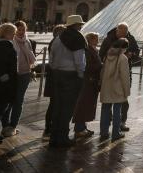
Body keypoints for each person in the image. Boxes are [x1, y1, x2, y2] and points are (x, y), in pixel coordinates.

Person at [48, 15, 86, 148]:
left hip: (57, 74)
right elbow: (79, 61)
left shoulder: (58, 38)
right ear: (76, 25)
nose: (81, 26)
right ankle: (63, 137)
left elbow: (51, 58)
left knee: (57, 107)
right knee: (67, 108)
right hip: (71, 76)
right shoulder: (77, 38)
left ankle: (54, 137)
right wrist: (81, 76)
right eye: (80, 24)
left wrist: (56, 70)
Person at [99, 23, 139, 132]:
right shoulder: (108, 40)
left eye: (125, 33)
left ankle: (119, 123)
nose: (124, 35)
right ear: (117, 31)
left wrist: (131, 55)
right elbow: (101, 55)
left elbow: (137, 52)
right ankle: (113, 128)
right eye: (122, 33)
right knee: (115, 104)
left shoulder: (130, 38)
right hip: (113, 75)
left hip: (114, 74)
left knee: (116, 103)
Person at [1, 21, 36, 137]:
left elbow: (31, 57)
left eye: (23, 30)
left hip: (25, 74)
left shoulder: (28, 42)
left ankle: (13, 126)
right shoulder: (10, 41)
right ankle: (5, 125)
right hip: (12, 75)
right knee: (9, 100)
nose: (21, 32)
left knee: (19, 100)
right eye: (19, 30)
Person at [100, 38, 131, 141]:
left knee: (105, 110)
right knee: (117, 111)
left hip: (106, 87)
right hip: (118, 88)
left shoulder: (107, 56)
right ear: (124, 48)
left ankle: (104, 132)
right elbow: (125, 77)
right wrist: (127, 91)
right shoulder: (123, 58)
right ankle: (115, 133)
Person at [73, 32, 102, 137]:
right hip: (88, 81)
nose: (98, 41)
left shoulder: (92, 49)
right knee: (83, 104)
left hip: (91, 81)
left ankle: (83, 127)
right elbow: (88, 66)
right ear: (90, 40)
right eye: (96, 39)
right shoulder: (88, 50)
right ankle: (79, 128)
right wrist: (100, 66)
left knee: (87, 105)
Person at [42, 24, 66, 140]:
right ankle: (48, 128)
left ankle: (50, 127)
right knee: (54, 104)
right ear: (58, 33)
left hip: (53, 77)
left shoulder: (55, 43)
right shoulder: (56, 43)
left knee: (54, 103)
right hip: (55, 78)